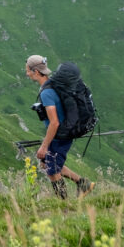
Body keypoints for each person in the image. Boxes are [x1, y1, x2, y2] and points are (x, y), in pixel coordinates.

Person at [25, 55, 95, 200]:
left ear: (36, 72)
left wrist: (44, 146)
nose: (27, 73)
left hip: (60, 135)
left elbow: (54, 122)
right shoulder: (53, 84)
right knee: (48, 165)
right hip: (63, 133)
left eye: (28, 70)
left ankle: (63, 204)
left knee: (52, 171)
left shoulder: (46, 93)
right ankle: (83, 184)